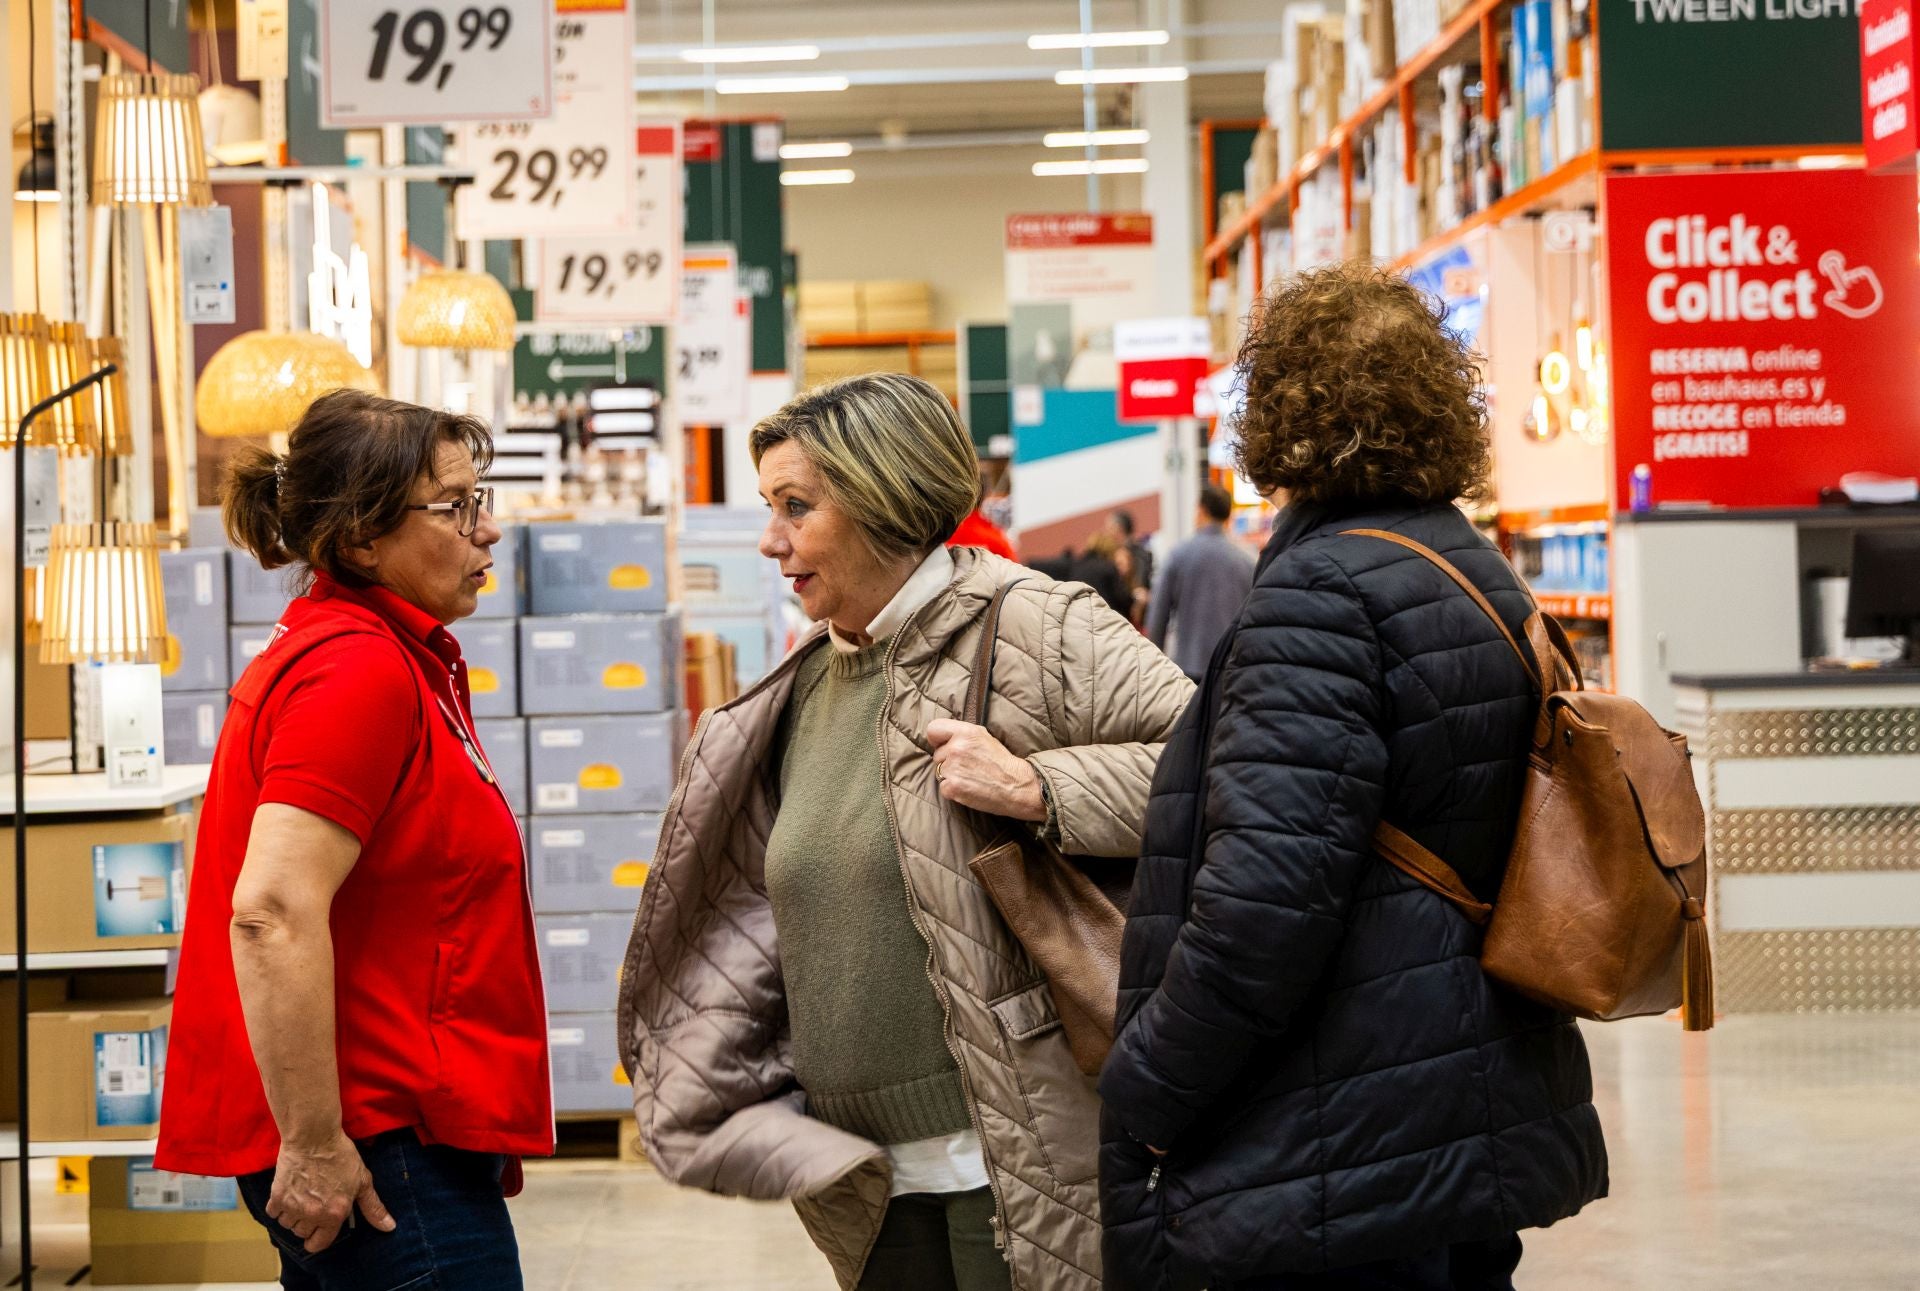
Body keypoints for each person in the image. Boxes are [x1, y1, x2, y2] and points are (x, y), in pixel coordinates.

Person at [616, 372, 1193, 1291]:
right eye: (770, 509)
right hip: (862, 1172)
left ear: (883, 498)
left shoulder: (1034, 624)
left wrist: (1039, 784)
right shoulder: (808, 681)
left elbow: (1211, 769)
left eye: (796, 508)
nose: (772, 541)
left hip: (1012, 1157)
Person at [1099, 264, 1608, 1291]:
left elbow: (1264, 908)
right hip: (1454, 1098)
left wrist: (1144, 1084)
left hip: (1340, 1136)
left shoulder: (1322, 594)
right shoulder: (1472, 568)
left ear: (1282, 416)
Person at [157, 392, 549, 1290]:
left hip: (390, 1134)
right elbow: (270, 910)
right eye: (455, 507)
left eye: (479, 497)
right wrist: (314, 1142)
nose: (488, 529)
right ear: (364, 539)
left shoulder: (388, 657)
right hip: (380, 1149)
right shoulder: (358, 671)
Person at [1146, 483, 1256, 680]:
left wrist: (1154, 668)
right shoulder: (1247, 559)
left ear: (1201, 510)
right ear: (1228, 514)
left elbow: (1158, 616)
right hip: (1232, 670)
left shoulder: (1178, 555)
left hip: (1188, 667)